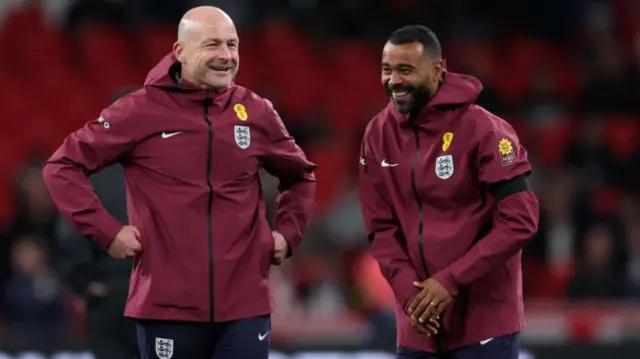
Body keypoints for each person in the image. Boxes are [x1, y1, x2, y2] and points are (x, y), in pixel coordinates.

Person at [43, 6, 316, 359]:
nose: (226, 56)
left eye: (232, 45)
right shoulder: (139, 110)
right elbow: (62, 166)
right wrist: (106, 232)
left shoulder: (256, 111)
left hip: (246, 307)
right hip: (166, 309)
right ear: (180, 52)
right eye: (212, 45)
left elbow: (300, 176)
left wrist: (288, 233)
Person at [357, 25, 539, 359]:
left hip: (484, 325)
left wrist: (450, 282)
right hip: (418, 327)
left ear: (438, 70)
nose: (394, 80)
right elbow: (380, 228)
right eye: (387, 69)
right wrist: (411, 296)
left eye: (406, 69)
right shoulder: (377, 135)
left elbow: (521, 221)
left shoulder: (484, 129)